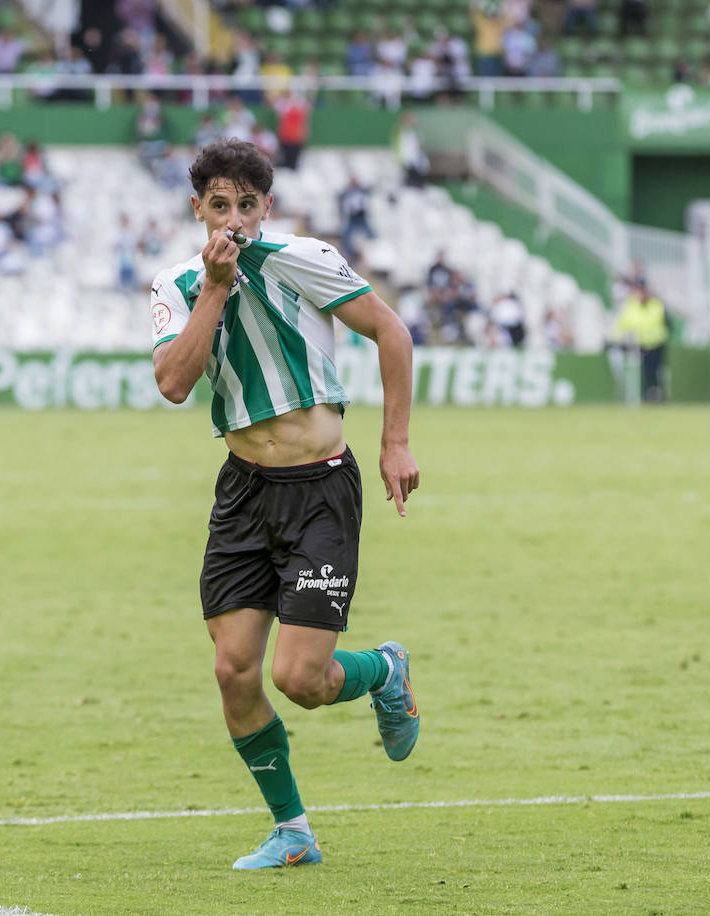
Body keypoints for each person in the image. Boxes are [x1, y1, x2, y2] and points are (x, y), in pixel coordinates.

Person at [149, 139, 421, 870]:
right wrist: (213, 288)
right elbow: (174, 384)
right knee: (234, 671)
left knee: (300, 681)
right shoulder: (174, 285)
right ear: (197, 208)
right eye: (218, 205)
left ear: (265, 206)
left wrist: (396, 443)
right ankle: (293, 830)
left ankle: (383, 672)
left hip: (321, 487)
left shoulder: (304, 258)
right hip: (243, 493)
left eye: (246, 205)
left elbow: (391, 333)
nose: (233, 219)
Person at [611, 281, 669, 402]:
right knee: (640, 372)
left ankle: (656, 395)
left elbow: (658, 324)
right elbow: (622, 325)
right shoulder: (630, 306)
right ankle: (641, 396)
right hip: (638, 346)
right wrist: (616, 339)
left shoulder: (656, 305)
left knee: (655, 372)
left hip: (656, 345)